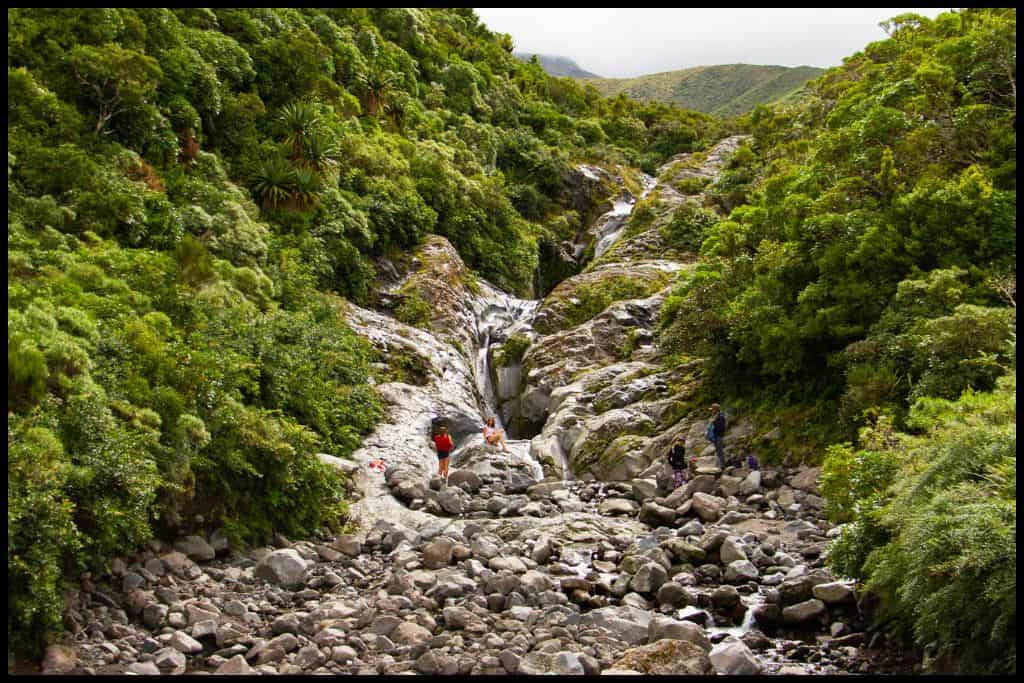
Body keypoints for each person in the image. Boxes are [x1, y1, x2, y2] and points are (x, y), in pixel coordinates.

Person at [709, 403, 727, 469]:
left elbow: (721, 428)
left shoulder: (721, 417)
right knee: (718, 451)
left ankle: (723, 465)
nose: (711, 411)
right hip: (716, 436)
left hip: (719, 436)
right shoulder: (716, 417)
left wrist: (714, 423)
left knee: (720, 451)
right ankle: (720, 465)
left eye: (712, 410)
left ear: (716, 410)